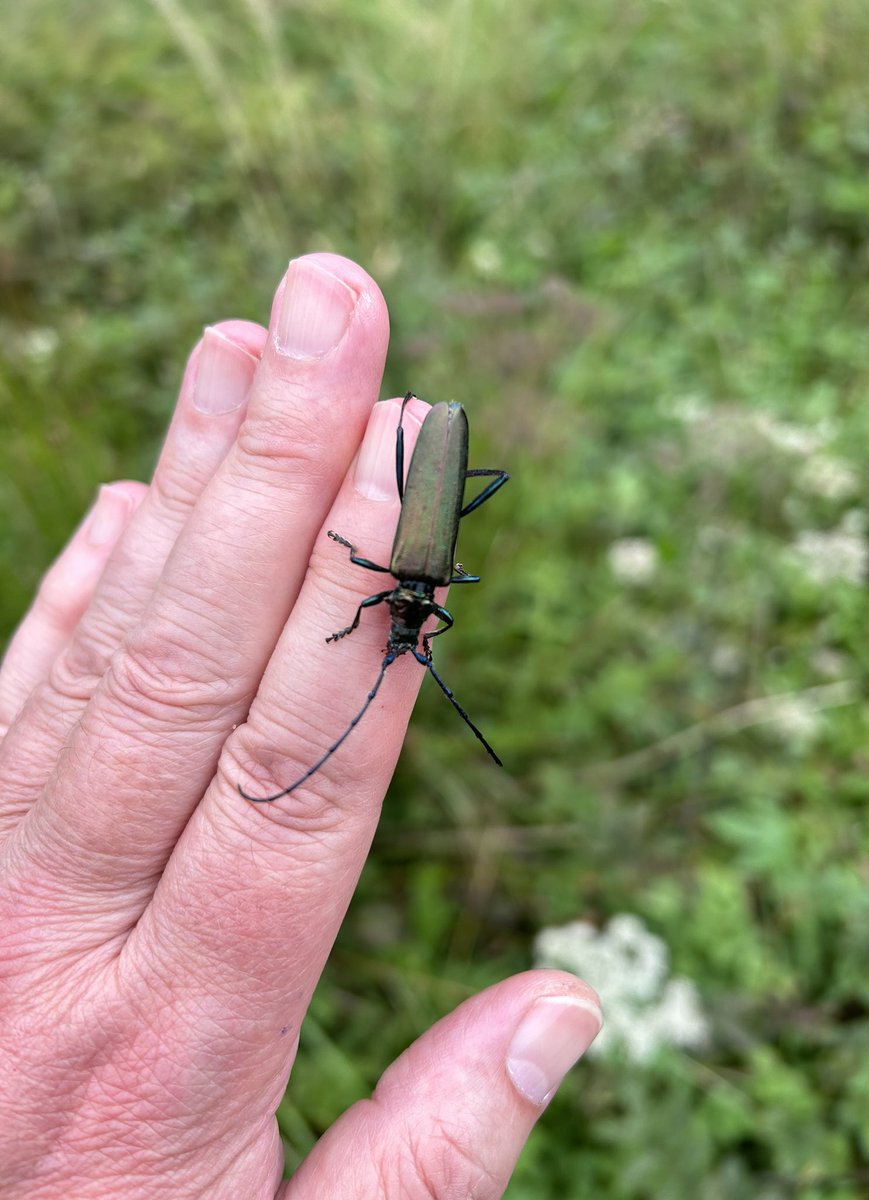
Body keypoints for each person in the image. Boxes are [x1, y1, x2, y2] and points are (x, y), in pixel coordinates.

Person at [0, 254, 602, 1199]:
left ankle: (422, 439)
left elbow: (394, 605)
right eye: (412, 622)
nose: (404, 624)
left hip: (420, 521)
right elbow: (398, 607)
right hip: (425, 515)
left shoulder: (408, 585)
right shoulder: (416, 582)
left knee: (432, 502)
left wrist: (371, 596)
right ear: (418, 609)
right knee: (428, 500)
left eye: (406, 623)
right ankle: (422, 439)